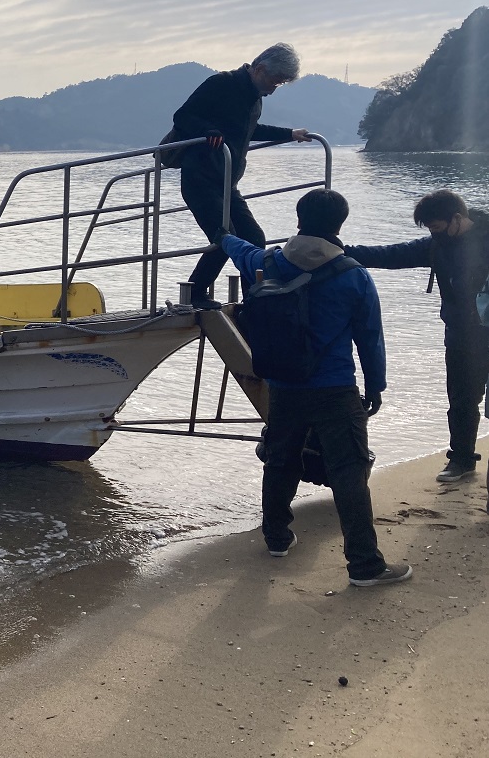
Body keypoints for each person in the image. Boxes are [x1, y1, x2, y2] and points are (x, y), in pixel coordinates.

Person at [218, 188, 411, 586]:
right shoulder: (353, 275)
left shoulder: (268, 260)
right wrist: (376, 387)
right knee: (349, 470)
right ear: (340, 224)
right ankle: (364, 565)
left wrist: (222, 235)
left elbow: (237, 247)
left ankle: (276, 537)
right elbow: (370, 339)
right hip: (335, 388)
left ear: (298, 217)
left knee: (280, 459)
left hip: (283, 384)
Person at [345, 189, 489, 485]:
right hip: (461, 337)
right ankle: (461, 460)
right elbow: (391, 254)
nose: (434, 234)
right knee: (461, 400)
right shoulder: (437, 245)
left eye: (436, 227)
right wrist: (341, 250)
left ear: (457, 219)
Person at [170, 42, 312, 308]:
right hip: (200, 178)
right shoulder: (221, 84)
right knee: (225, 237)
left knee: (254, 238)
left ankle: (254, 296)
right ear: (259, 69)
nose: (274, 88)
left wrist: (289, 134)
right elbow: (182, 117)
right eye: (275, 81)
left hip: (227, 182)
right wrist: (208, 130)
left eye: (280, 84)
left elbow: (249, 130)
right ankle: (196, 293)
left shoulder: (254, 97)